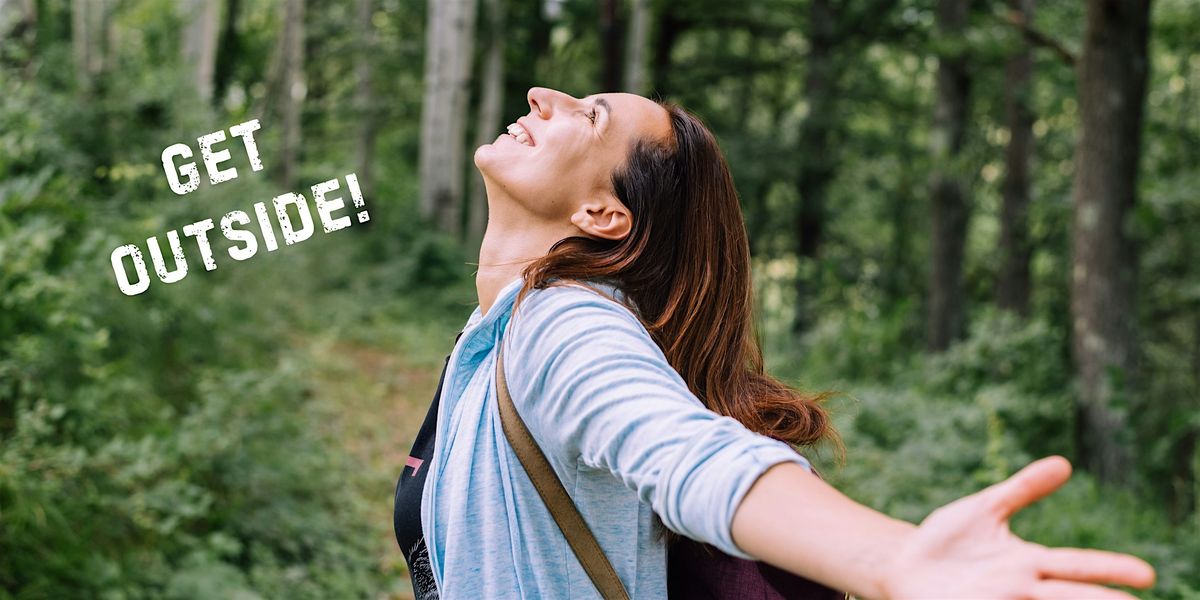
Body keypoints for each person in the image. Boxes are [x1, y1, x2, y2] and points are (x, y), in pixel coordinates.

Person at [393, 86, 1156, 599]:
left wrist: (892, 560)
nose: (542, 96)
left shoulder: (563, 325)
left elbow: (690, 454)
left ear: (604, 214)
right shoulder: (494, 331)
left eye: (588, 115)